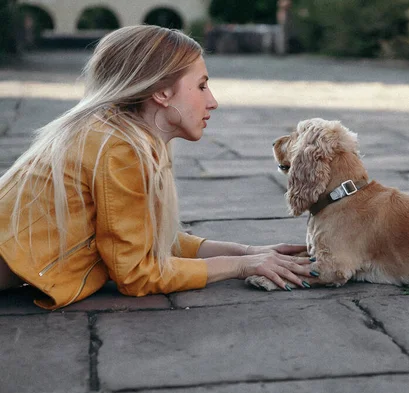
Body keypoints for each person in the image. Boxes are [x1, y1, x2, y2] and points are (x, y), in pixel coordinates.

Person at [0, 25, 315, 310]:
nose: (213, 101)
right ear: (162, 92)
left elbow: (149, 239)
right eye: (202, 86)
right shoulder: (120, 149)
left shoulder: (121, 135)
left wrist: (247, 252)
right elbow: (137, 274)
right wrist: (242, 267)